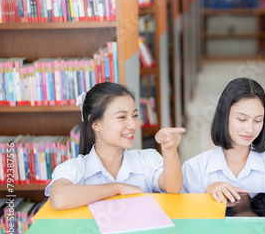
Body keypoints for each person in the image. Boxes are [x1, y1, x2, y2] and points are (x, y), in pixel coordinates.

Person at [45, 82, 185, 210]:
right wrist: (117, 188)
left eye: (135, 115)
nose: (132, 125)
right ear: (96, 124)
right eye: (122, 117)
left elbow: (173, 187)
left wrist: (169, 149)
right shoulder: (76, 167)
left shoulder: (147, 159)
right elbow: (59, 199)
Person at [181, 77, 265, 203]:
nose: (250, 129)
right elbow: (185, 218)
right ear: (224, 116)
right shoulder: (194, 168)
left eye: (257, 120)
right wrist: (207, 192)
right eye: (241, 119)